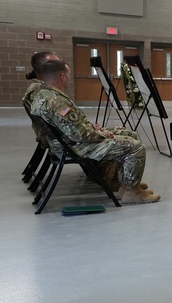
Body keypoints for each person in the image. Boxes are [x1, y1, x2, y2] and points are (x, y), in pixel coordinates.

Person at [30, 60, 160, 204]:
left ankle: (126, 185)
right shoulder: (56, 101)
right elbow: (79, 134)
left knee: (128, 135)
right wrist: (103, 134)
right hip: (74, 147)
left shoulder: (43, 95)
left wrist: (93, 129)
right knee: (136, 147)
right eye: (68, 74)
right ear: (62, 77)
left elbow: (71, 127)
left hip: (66, 143)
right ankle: (131, 193)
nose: (69, 77)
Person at [22, 51, 60, 148]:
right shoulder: (47, 94)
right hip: (63, 143)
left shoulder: (36, 89)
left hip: (53, 139)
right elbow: (71, 130)